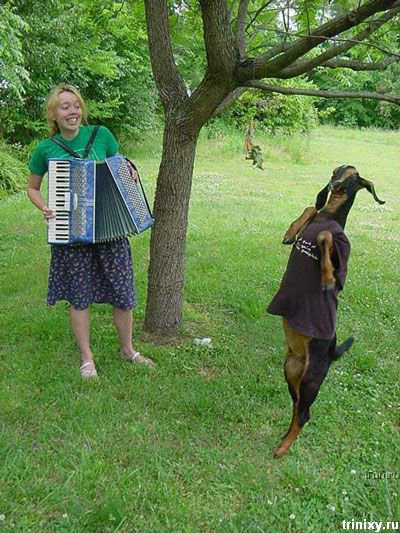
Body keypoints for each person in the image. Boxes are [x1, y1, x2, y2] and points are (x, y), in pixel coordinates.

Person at [27, 84, 154, 378]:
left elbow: (120, 166)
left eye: (75, 105)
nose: (72, 111)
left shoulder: (101, 135)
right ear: (54, 115)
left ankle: (128, 350)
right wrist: (44, 207)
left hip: (110, 232)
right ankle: (87, 358)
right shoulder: (46, 149)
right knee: (78, 295)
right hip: (71, 233)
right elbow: (32, 188)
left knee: (123, 293)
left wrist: (130, 170)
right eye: (64, 107)